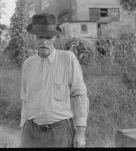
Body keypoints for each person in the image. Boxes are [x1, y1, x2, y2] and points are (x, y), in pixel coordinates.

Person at [19, 13, 89, 148]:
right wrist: (23, 128)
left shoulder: (68, 59)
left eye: (48, 37)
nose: (44, 41)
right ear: (34, 38)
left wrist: (80, 134)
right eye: (40, 37)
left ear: (55, 38)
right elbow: (25, 100)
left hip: (60, 132)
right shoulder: (28, 64)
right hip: (31, 131)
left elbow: (80, 95)